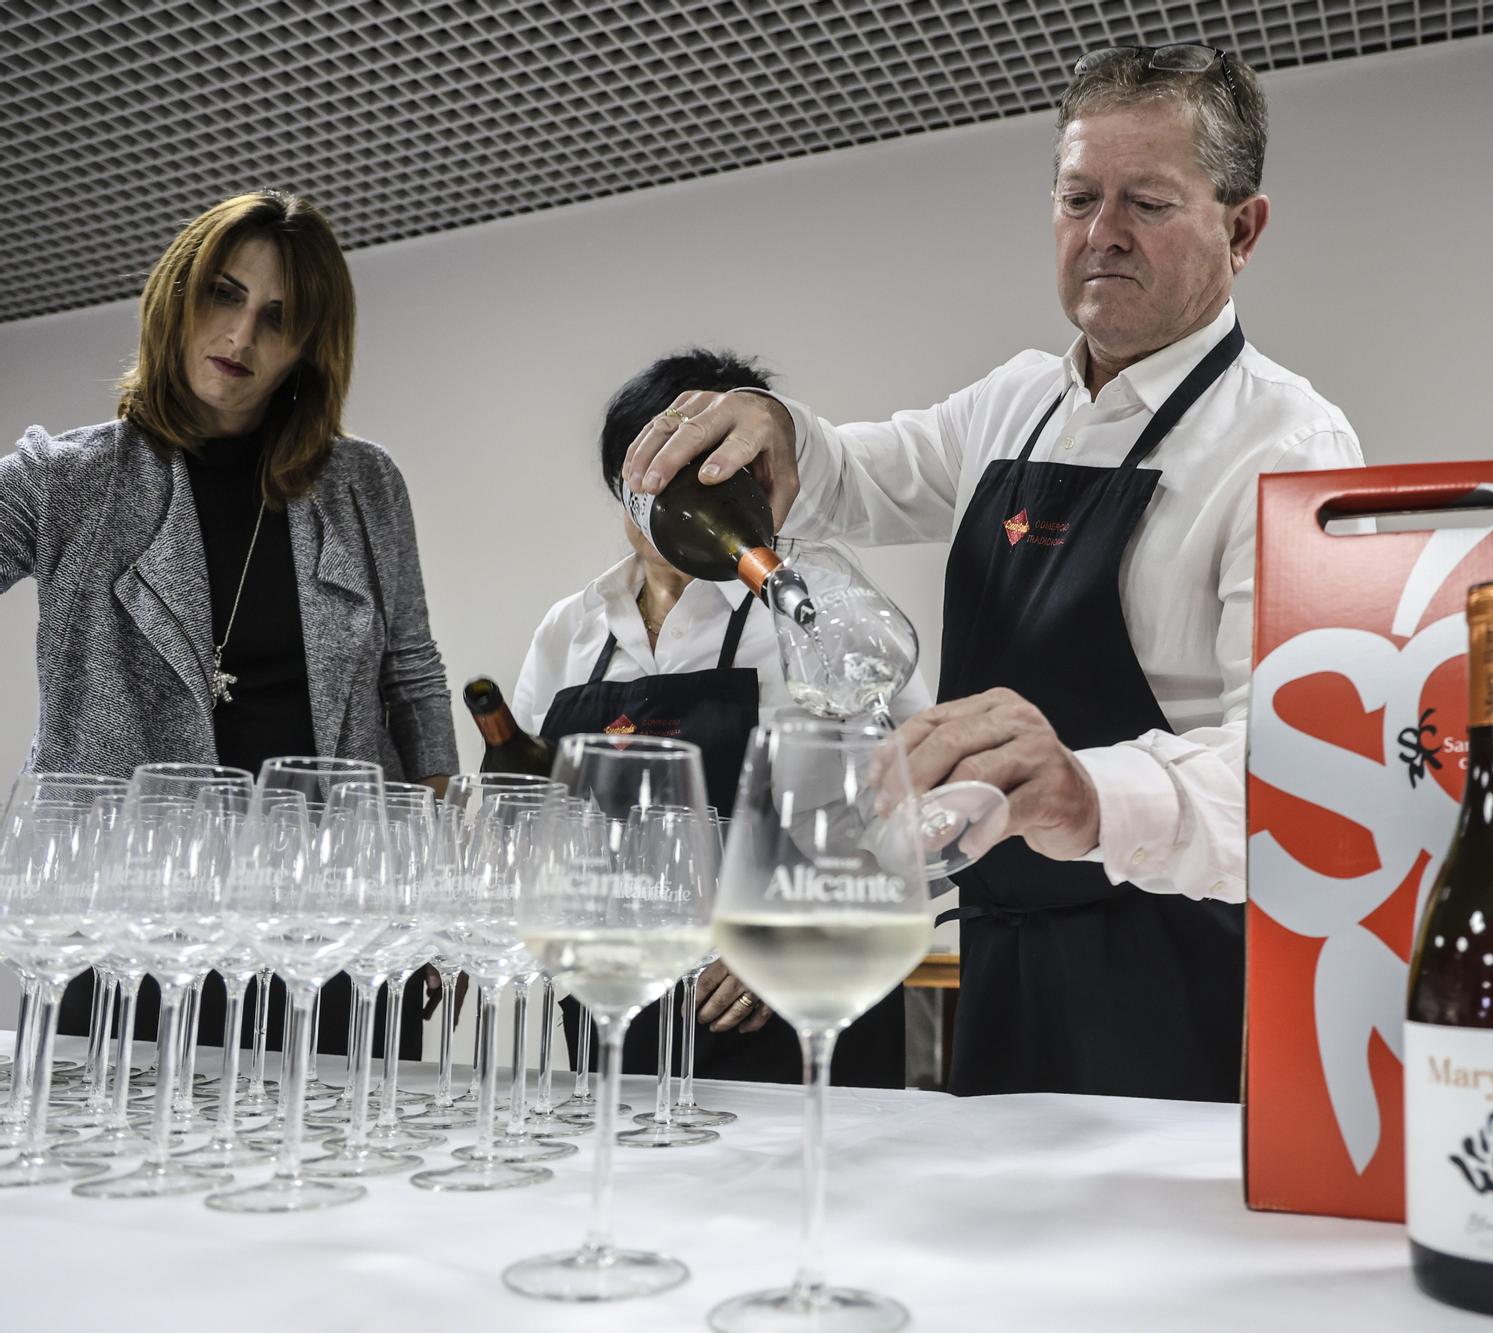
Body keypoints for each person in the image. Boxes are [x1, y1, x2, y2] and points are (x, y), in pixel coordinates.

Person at [624, 47, 1363, 1102]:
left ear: (1241, 231)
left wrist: (1080, 791)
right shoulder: (1016, 403)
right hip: (1002, 958)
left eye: (1146, 202)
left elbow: (1299, 789)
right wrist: (779, 430)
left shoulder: (1289, 445)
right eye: (1077, 197)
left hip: (1181, 970)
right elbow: (855, 471)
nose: (1101, 233)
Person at [1, 189, 456, 1047]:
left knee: (324, 1168)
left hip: (329, 930)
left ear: (310, 348)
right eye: (225, 294)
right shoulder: (67, 480)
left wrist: (428, 899)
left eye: (278, 318)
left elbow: (415, 682)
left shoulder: (364, 486)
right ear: (178, 294)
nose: (242, 337)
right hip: (122, 934)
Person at [513, 348, 927, 1086]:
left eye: (711, 461)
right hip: (621, 1015)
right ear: (626, 481)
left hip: (797, 1009)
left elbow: (917, 807)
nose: (686, 483)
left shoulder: (820, 605)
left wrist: (792, 927)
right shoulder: (572, 629)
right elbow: (529, 813)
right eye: (663, 460)